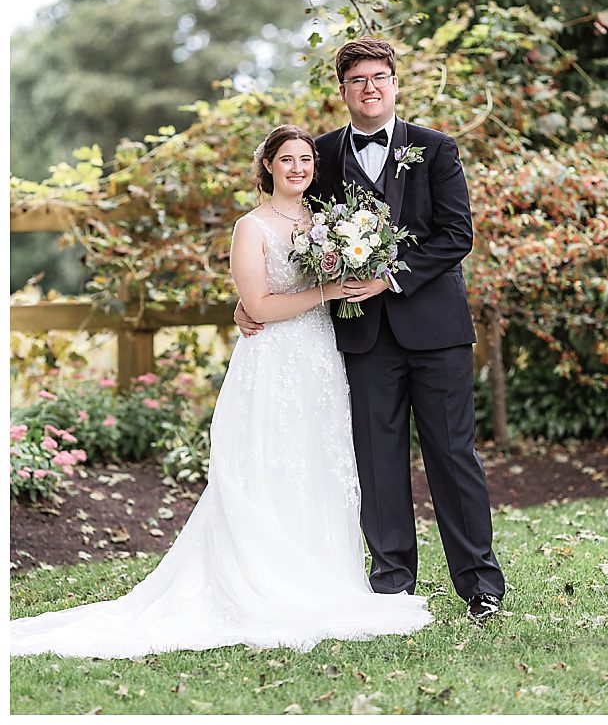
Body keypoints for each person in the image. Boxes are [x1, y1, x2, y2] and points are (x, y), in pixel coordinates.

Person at [10, 126, 433, 658]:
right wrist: (324, 290)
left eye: (305, 159)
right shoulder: (249, 227)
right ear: (268, 167)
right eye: (287, 160)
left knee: (319, 461)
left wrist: (356, 276)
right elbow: (257, 306)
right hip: (273, 360)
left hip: (322, 359)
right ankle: (265, 579)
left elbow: (355, 277)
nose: (298, 168)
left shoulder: (329, 222)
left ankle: (325, 577)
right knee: (269, 463)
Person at [234, 38, 505, 620]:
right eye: (358, 80)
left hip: (436, 331)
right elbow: (289, 230)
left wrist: (392, 278)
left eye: (380, 77)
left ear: (395, 84)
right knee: (376, 456)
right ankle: (391, 578)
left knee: (452, 453)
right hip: (359, 335)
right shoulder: (321, 156)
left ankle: (480, 585)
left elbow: (457, 236)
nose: (370, 88)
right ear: (343, 90)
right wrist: (254, 300)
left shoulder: (435, 149)